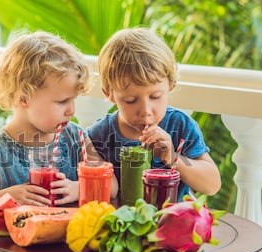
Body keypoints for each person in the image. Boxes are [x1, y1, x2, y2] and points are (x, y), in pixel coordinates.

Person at [0, 30, 118, 252]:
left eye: (73, 100)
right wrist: (4, 197)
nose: (71, 110)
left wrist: (80, 188)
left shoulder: (76, 137)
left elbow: (111, 185)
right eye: (61, 102)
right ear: (24, 98)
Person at [87, 27, 221, 201]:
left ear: (170, 84)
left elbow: (212, 184)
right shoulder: (99, 136)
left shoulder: (179, 127)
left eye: (155, 96)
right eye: (130, 100)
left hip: (171, 224)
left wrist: (174, 158)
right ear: (109, 93)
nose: (146, 111)